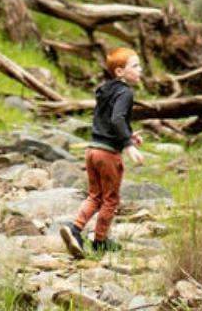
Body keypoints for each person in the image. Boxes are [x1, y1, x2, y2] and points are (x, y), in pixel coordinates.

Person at [60, 47, 145, 258]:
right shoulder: (125, 92)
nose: (140, 69)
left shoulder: (106, 90)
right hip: (108, 155)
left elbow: (109, 120)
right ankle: (99, 241)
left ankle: (75, 229)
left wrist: (130, 134)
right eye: (135, 66)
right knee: (110, 200)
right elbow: (116, 119)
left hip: (92, 150)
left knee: (95, 196)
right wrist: (128, 145)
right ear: (119, 72)